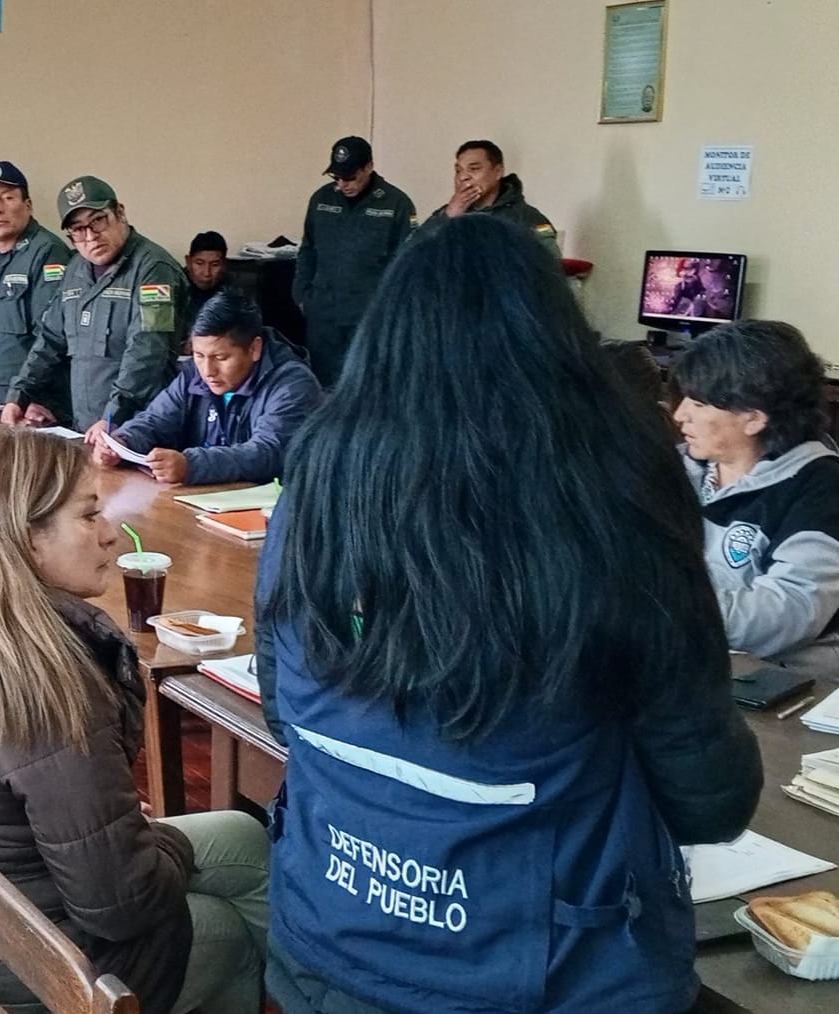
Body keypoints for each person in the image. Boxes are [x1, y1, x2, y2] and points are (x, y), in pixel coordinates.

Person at [255, 215, 761, 1013]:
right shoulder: (616, 495)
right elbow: (710, 801)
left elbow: (283, 707)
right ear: (557, 337)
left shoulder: (317, 480)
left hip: (327, 933)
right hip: (548, 972)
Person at [0, 426, 269, 1014]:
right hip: (32, 962)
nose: (110, 537)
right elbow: (119, 904)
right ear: (27, 539)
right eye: (89, 516)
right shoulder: (44, 679)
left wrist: (131, 834)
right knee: (228, 930)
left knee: (244, 836)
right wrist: (159, 845)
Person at [674, 320, 839, 677]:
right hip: (687, 657)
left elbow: (790, 612)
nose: (679, 415)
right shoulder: (676, 467)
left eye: (699, 404)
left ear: (753, 418)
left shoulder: (820, 489)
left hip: (782, 682)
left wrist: (663, 608)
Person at [1, 175, 190, 438]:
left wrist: (113, 416)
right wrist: (18, 396)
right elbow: (51, 340)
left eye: (98, 220)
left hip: (139, 427)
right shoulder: (76, 269)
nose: (90, 237)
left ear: (119, 213)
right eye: (78, 229)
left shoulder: (154, 270)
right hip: (87, 427)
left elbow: (147, 352)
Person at [95, 294, 322, 485]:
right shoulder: (194, 373)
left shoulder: (293, 385)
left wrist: (192, 465)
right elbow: (155, 420)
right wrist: (123, 442)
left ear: (254, 348)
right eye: (199, 355)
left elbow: (268, 452)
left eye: (221, 357)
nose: (207, 370)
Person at [292, 136, 417, 385]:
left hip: (369, 317)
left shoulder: (396, 204)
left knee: (366, 387)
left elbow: (406, 264)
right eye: (336, 178)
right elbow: (308, 250)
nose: (342, 185)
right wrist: (302, 295)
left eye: (350, 177)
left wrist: (389, 311)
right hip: (323, 317)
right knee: (322, 388)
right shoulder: (321, 200)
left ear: (368, 167)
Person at [0, 160, 72, 419]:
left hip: (31, 406)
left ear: (28, 206)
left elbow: (53, 337)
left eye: (8, 198)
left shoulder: (48, 253)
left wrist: (38, 399)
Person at [425, 140, 559, 260]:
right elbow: (411, 253)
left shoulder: (526, 218)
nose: (463, 177)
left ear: (498, 172)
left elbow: (551, 275)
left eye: (474, 169)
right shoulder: (446, 214)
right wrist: (447, 217)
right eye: (458, 171)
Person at [178, 230, 232, 353]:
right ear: (188, 261)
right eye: (199, 263)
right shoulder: (173, 286)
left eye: (214, 265)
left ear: (224, 264)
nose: (206, 273)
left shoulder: (234, 293)